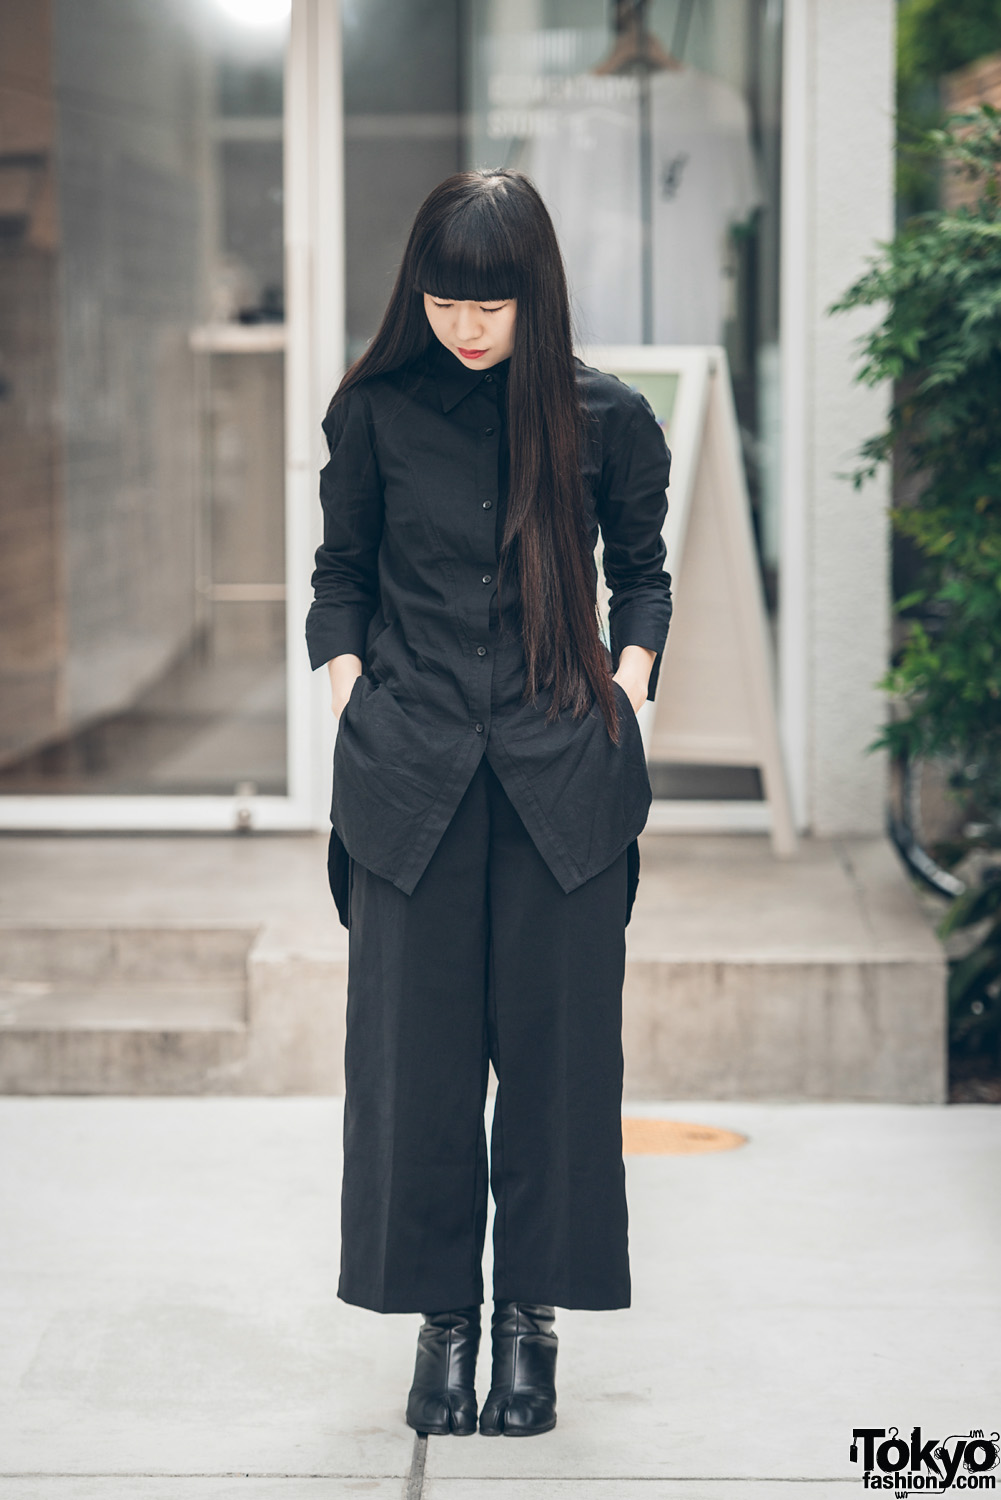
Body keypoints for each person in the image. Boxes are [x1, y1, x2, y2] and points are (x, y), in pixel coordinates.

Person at [305, 168, 672, 1439]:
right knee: (413, 1069)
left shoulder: (603, 418)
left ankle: (529, 1322)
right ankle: (440, 1322)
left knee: (561, 1066)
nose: (465, 323)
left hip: (560, 774)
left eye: (490, 302)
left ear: (537, 296)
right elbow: (339, 573)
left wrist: (624, 688)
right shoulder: (373, 411)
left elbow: (643, 572)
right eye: (445, 298)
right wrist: (353, 690)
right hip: (407, 776)